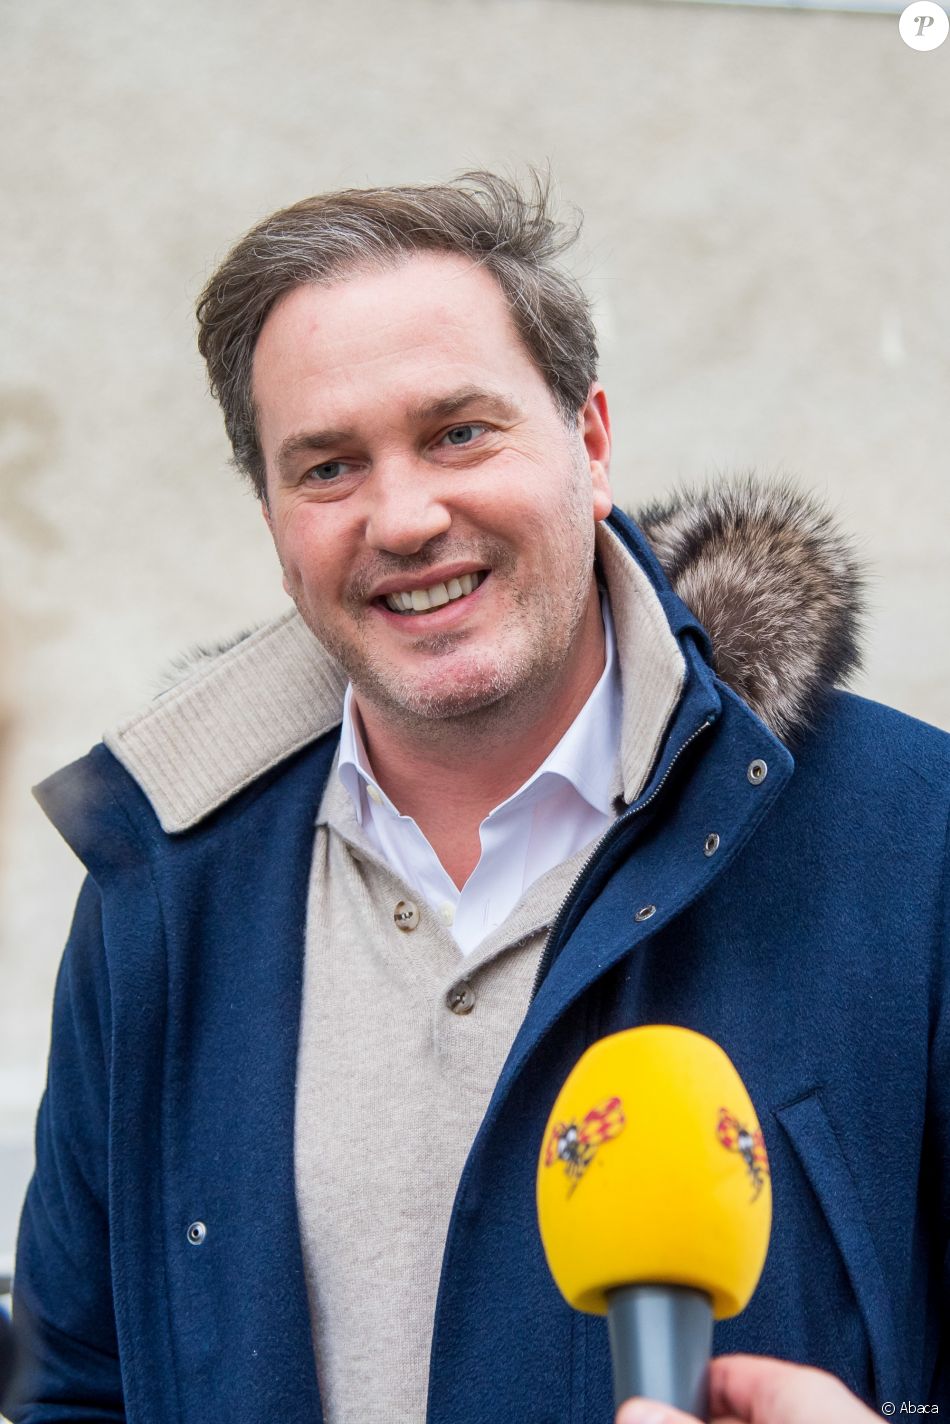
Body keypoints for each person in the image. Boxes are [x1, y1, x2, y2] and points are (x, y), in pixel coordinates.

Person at [10, 173, 949, 1423]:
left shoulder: (918, 845)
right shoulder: (160, 893)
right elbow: (76, 1384)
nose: (404, 516)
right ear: (274, 520)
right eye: (329, 466)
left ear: (591, 440)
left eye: (458, 431)